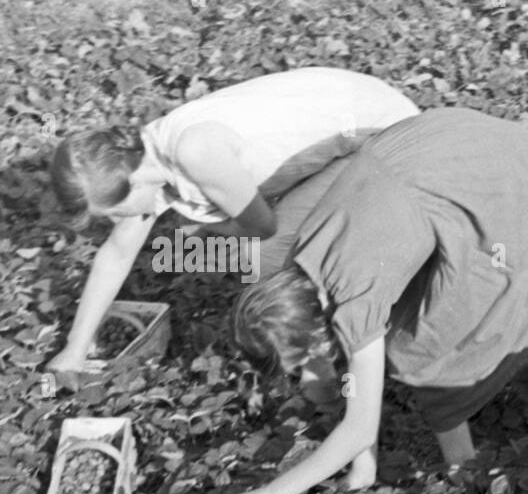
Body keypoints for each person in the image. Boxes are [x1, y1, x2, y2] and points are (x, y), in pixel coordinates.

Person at [192, 108, 528, 494]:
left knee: (426, 352)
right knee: (522, 302)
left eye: (302, 363)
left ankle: (468, 475)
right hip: (472, 153)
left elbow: (359, 427)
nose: (306, 374)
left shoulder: (352, 297)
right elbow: (348, 367)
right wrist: (362, 468)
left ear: (312, 338)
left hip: (501, 198)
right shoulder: (309, 253)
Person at [46, 66, 419, 372]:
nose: (115, 222)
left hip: (390, 135)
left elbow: (262, 228)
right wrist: (74, 351)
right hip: (358, 118)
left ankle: (317, 368)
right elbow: (115, 256)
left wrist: (205, 231)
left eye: (111, 214)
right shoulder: (144, 156)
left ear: (130, 183)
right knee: (238, 250)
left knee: (264, 258)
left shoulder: (194, 152)